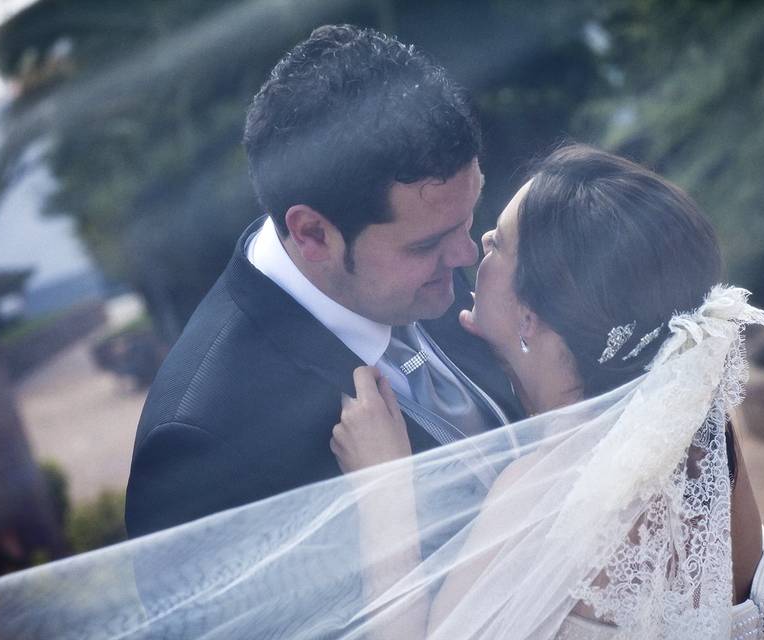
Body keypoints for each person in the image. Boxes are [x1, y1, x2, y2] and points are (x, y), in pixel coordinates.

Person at [332, 145, 764, 638]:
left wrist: (385, 491)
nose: (477, 243)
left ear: (529, 315)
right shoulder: (702, 434)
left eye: (498, 245)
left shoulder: (544, 487)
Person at [124, 24, 521, 539]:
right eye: (424, 245)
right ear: (312, 233)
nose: (467, 254)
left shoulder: (434, 238)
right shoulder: (201, 444)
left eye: (467, 219)